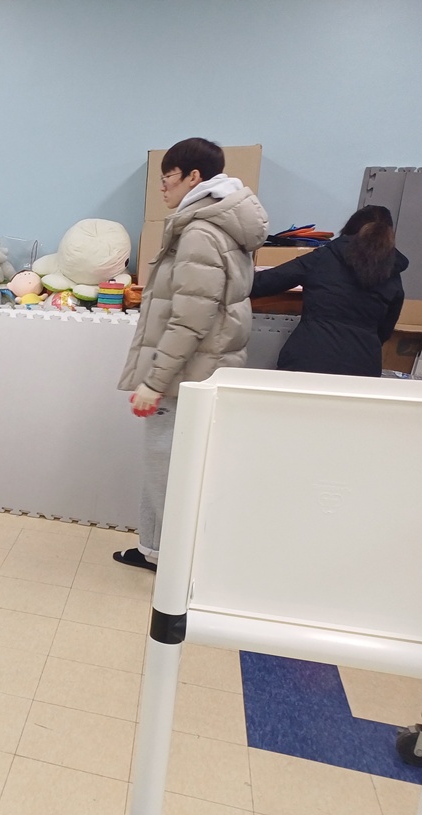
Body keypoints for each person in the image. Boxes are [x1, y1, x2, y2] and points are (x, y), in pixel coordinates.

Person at [114, 137, 268, 572]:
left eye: (168, 179)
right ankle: (154, 550)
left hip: (186, 375)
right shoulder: (218, 224)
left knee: (167, 471)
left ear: (193, 177)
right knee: (163, 468)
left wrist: (154, 380)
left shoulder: (200, 231)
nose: (162, 188)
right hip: (201, 369)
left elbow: (189, 319)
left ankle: (181, 566)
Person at [250, 205, 407, 377]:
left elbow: (262, 283)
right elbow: (384, 331)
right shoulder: (393, 275)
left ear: (350, 229)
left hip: (308, 359)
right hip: (363, 368)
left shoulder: (324, 257)